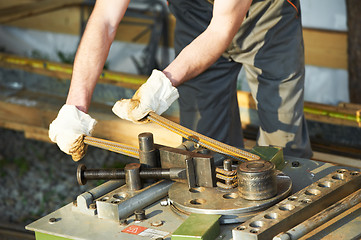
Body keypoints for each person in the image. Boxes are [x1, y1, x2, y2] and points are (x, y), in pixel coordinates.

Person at [49, 0, 313, 162]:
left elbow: (221, 28)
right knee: (205, 150)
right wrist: (75, 108)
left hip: (267, 17)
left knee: (283, 147)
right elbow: (105, 19)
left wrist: (163, 83)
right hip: (195, 15)